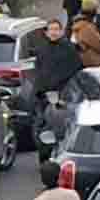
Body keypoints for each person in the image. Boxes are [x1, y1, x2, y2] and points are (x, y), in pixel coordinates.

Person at [30, 18, 82, 149]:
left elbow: (75, 71)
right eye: (50, 29)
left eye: (56, 29)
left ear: (62, 31)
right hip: (44, 97)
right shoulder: (42, 50)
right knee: (43, 129)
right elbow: (39, 72)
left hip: (64, 96)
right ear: (46, 33)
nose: (53, 32)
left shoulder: (69, 49)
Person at [70, 0, 100, 67]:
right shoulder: (85, 26)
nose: (97, 12)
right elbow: (99, 45)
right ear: (92, 11)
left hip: (87, 62)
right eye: (96, 10)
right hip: (95, 63)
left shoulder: (80, 24)